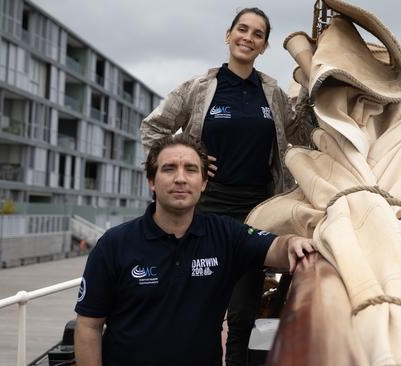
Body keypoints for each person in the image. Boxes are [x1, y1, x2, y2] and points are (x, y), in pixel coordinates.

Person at [139, 7, 314, 365]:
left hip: (256, 213)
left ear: (264, 46)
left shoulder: (272, 92)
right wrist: (191, 163)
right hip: (204, 210)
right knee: (189, 299)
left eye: (257, 34)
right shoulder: (200, 88)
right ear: (228, 34)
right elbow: (152, 129)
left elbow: (303, 135)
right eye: (242, 29)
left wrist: (317, 83)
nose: (247, 38)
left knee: (243, 312)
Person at [74, 134, 316, 366]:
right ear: (151, 181)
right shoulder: (115, 244)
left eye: (190, 169)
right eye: (169, 168)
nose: (180, 178)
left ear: (203, 183)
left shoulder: (225, 236)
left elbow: (276, 246)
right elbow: (89, 325)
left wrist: (293, 241)